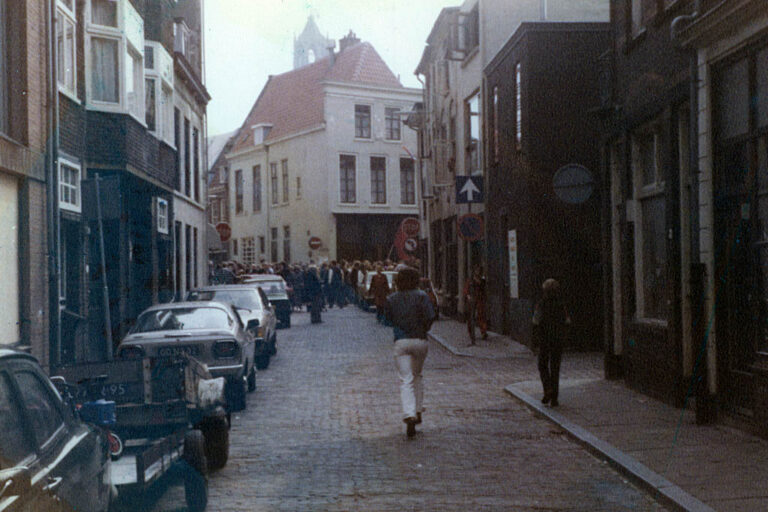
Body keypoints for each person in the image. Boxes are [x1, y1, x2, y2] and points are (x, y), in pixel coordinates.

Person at [384, 266, 437, 438]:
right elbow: (430, 316)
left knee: (405, 379)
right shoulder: (422, 296)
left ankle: (409, 414)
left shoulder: (392, 298)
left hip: (401, 341)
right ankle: (418, 409)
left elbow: (387, 319)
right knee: (417, 375)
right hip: (420, 340)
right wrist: (423, 328)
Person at [532, 278, 571, 407]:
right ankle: (554, 398)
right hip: (557, 339)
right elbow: (567, 321)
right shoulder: (561, 304)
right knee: (555, 367)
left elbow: (536, 321)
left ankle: (547, 388)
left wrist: (534, 340)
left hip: (545, 339)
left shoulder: (541, 304)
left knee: (542, 365)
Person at [463, 265, 488, 344]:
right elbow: (466, 290)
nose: (477, 272)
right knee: (471, 318)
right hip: (472, 301)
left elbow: (483, 290)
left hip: (479, 300)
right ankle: (472, 335)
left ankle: (483, 332)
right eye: (476, 270)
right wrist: (468, 296)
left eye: (478, 270)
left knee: (481, 315)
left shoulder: (482, 280)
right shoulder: (470, 280)